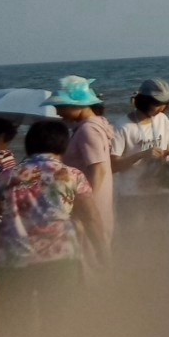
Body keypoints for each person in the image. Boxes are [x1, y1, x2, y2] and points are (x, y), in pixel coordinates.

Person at [0, 119, 108, 327]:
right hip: (60, 257)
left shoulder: (6, 177)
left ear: (29, 144)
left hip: (13, 258)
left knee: (14, 321)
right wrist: (101, 249)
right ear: (63, 145)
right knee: (59, 320)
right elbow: (90, 216)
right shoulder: (72, 176)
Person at [46, 75, 118, 244]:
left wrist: (87, 204)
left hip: (91, 207)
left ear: (77, 105)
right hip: (97, 205)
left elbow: (98, 170)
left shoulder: (88, 130)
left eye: (61, 107)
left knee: (91, 252)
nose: (58, 112)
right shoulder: (94, 126)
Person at [111, 79, 169, 241]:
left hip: (159, 190)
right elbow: (113, 166)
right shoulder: (123, 127)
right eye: (158, 103)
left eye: (164, 103)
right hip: (132, 195)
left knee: (159, 238)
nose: (162, 108)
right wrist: (141, 155)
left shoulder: (162, 119)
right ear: (144, 102)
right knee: (133, 240)